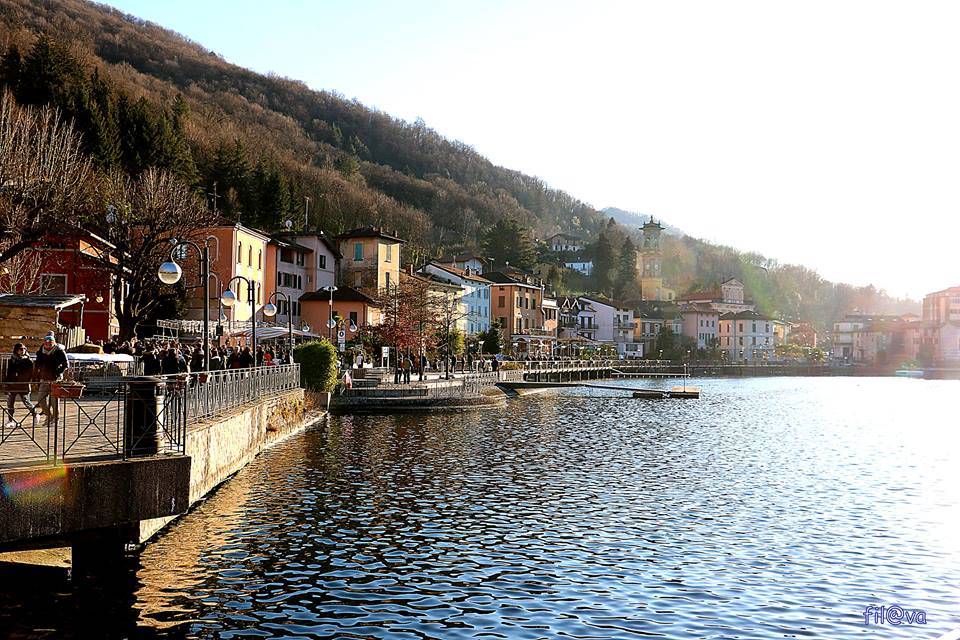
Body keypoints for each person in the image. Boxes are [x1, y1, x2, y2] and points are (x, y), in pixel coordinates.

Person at [34, 333, 68, 426]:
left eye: (50, 343)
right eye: (46, 342)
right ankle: (49, 416)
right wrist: (36, 374)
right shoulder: (41, 352)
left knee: (54, 401)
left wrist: (58, 372)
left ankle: (56, 419)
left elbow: (66, 364)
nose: (48, 344)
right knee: (40, 399)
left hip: (55, 379)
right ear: (44, 343)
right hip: (43, 378)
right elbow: (37, 364)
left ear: (54, 342)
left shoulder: (59, 351)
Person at [5, 343, 36, 427]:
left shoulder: (28, 360)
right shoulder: (12, 360)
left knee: (26, 401)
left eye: (24, 349)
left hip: (23, 384)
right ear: (16, 350)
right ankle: (10, 420)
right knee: (10, 403)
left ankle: (35, 414)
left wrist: (26, 381)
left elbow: (30, 373)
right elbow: (9, 372)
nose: (23, 351)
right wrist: (7, 383)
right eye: (21, 349)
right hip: (13, 384)